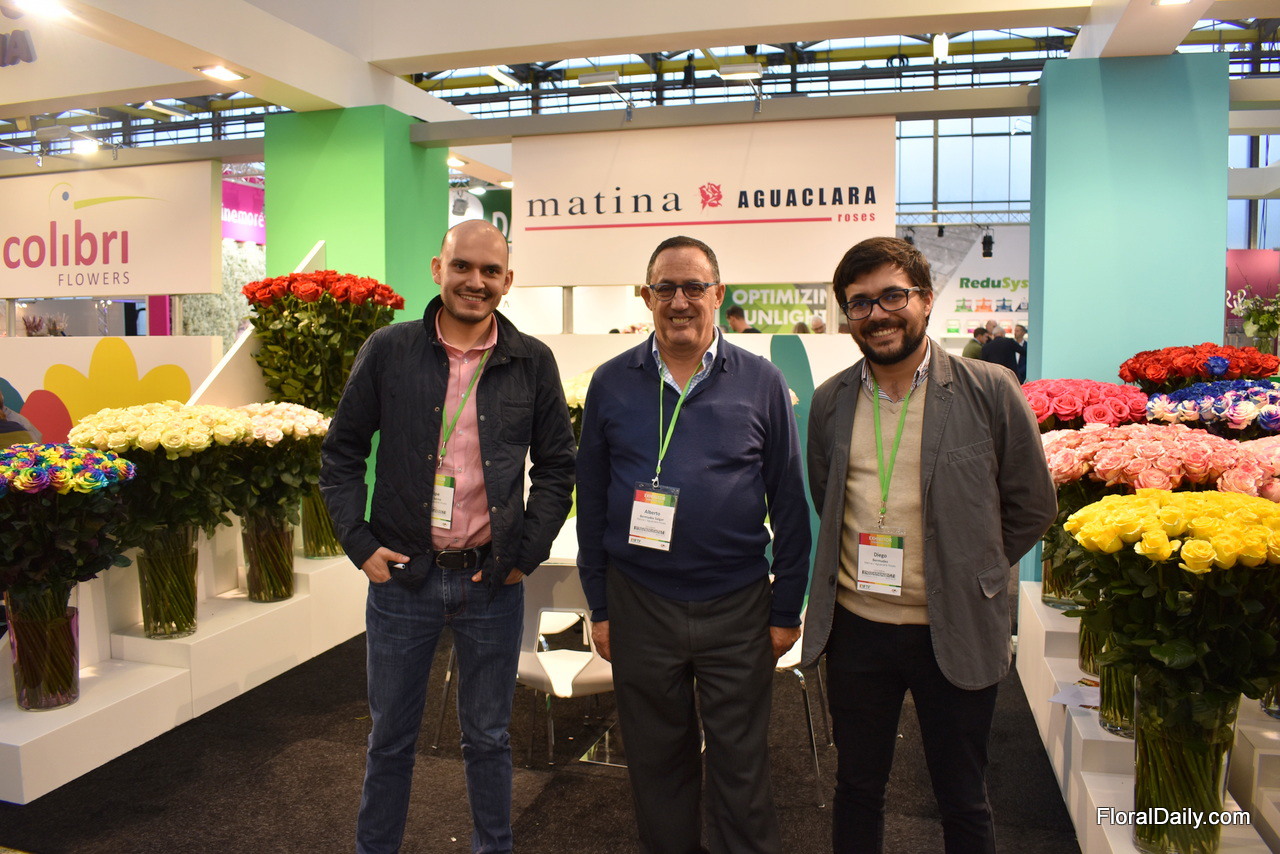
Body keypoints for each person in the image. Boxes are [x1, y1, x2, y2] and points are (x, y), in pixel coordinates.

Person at [321, 219, 576, 854]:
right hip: (403, 578)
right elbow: (342, 452)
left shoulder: (532, 361)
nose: (476, 281)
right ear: (439, 269)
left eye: (491, 271)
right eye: (463, 266)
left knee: (489, 738)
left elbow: (557, 467)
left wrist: (526, 554)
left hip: (492, 579)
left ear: (508, 281)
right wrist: (359, 544)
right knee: (390, 740)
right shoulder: (389, 350)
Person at [802, 236, 1055, 853]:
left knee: (962, 796)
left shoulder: (989, 388)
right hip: (857, 629)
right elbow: (825, 495)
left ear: (926, 299)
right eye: (859, 303)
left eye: (893, 295)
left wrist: (975, 568)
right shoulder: (831, 400)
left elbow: (1032, 504)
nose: (878, 314)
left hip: (957, 622)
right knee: (857, 787)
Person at [576, 235, 810, 854]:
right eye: (666, 288)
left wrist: (787, 609)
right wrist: (600, 606)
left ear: (718, 293)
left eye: (693, 287)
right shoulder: (611, 382)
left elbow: (789, 501)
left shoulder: (762, 381)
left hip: (737, 605)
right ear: (646, 296)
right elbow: (591, 501)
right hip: (639, 602)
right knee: (656, 764)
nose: (679, 301)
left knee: (742, 767)